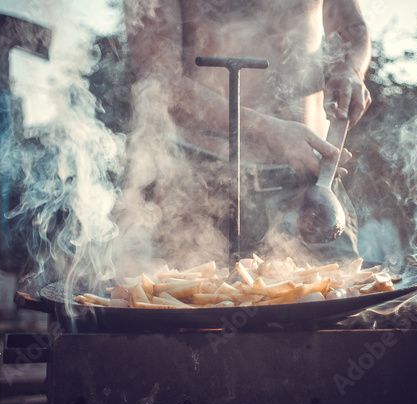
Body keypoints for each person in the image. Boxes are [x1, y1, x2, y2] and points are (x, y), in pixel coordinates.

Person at [123, 0, 372, 265]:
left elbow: (351, 26)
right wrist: (267, 129)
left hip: (313, 183)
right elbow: (161, 85)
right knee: (204, 301)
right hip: (207, 186)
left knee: (342, 297)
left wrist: (351, 71)